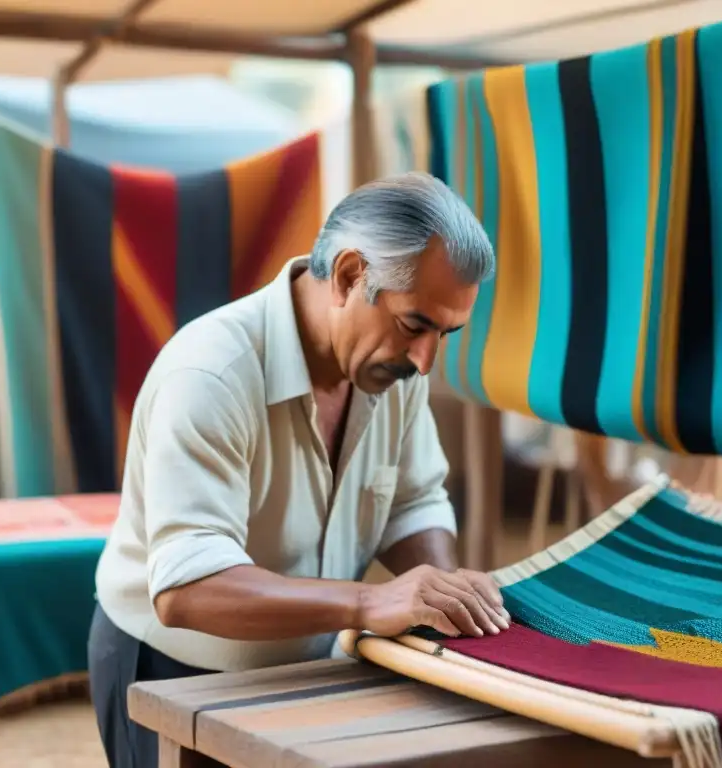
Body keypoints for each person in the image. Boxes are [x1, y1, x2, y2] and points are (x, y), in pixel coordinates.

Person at [88, 172, 507, 768]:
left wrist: (443, 593)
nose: (425, 359)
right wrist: (366, 603)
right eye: (415, 324)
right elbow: (186, 589)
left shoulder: (393, 369)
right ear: (347, 275)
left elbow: (413, 501)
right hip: (170, 670)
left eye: (446, 333)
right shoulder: (210, 373)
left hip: (311, 666)